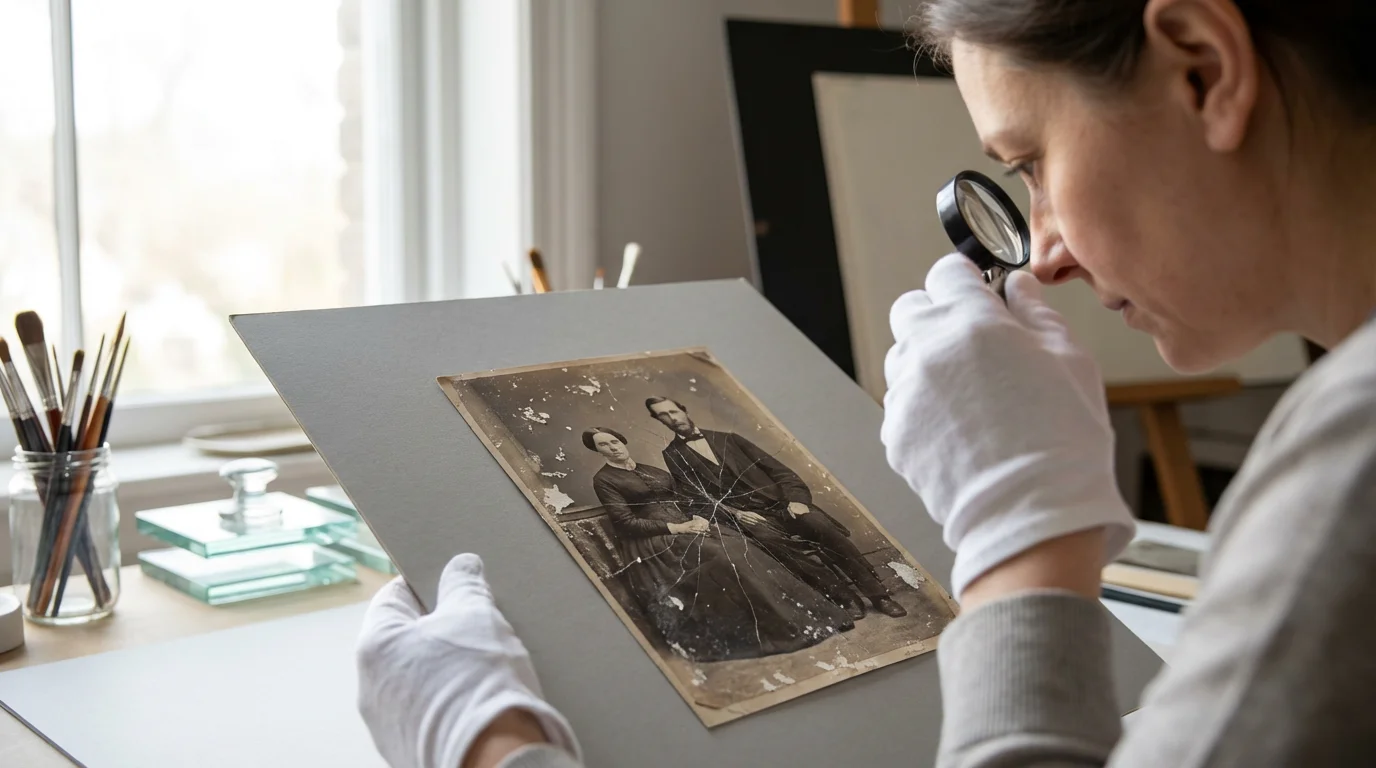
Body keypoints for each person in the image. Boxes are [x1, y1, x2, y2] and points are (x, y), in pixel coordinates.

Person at [353, 1, 1376, 766]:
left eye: (1029, 159)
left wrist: (1020, 537)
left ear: (1202, 68)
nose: (1044, 254)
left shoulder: (1349, 457)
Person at [583, 426, 854, 661]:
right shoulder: (604, 480)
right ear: (598, 452)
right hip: (658, 539)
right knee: (725, 558)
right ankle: (785, 631)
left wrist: (697, 517)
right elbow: (624, 523)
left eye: (614, 441)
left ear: (622, 441)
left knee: (744, 548)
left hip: (690, 524)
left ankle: (815, 618)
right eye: (603, 445)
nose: (612, 447)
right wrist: (677, 527)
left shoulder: (648, 469)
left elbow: (685, 498)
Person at [647, 395, 908, 619]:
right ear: (659, 422)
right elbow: (697, 497)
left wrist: (797, 501)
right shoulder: (673, 455)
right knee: (772, 542)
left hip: (785, 506)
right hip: (752, 518)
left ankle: (878, 596)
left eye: (673, 411)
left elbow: (783, 474)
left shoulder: (730, 439)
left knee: (821, 527)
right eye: (663, 416)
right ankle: (845, 597)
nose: (672, 418)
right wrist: (738, 514)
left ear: (683, 410)